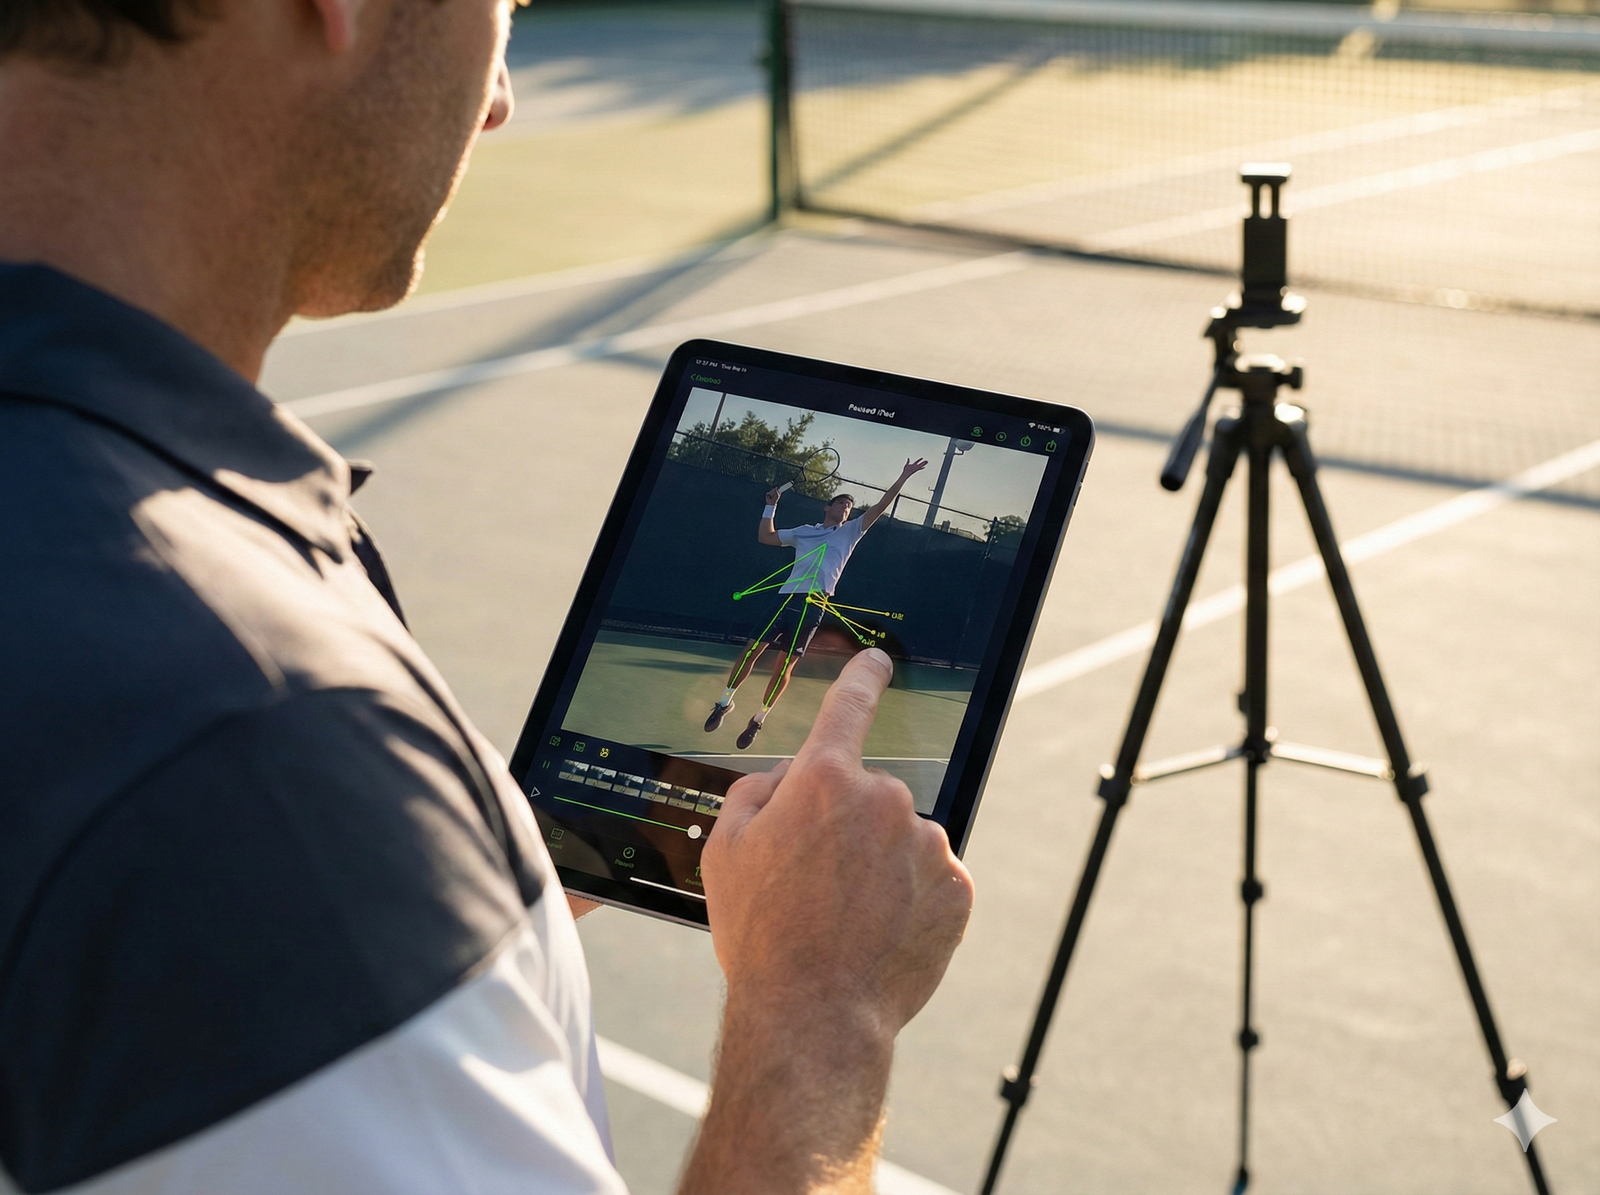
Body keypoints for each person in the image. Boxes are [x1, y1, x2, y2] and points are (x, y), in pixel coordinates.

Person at [0, 0, 974, 1190]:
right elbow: (226, 856)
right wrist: (822, 1006)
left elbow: (213, 985)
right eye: (501, 5)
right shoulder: (245, 739)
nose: (500, 93)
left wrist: (458, 896)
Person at [705, 459, 928, 750]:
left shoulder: (851, 532)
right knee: (751, 652)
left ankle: (758, 720)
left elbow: (882, 505)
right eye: (841, 504)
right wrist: (770, 505)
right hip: (786, 598)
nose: (846, 509)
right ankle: (724, 703)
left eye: (849, 507)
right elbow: (765, 537)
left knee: (784, 666)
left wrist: (904, 475)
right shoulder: (803, 531)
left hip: (814, 605)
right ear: (827, 507)